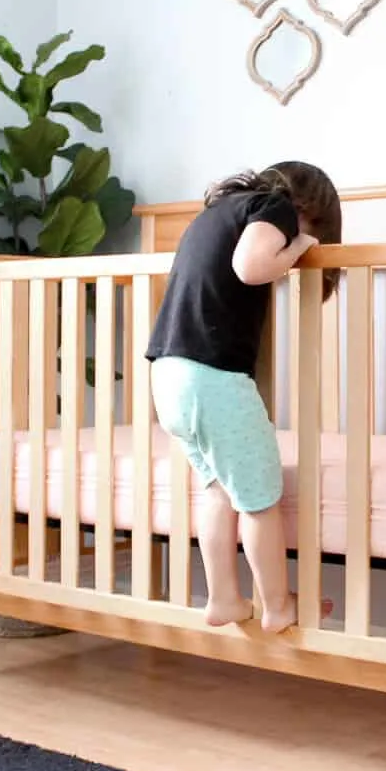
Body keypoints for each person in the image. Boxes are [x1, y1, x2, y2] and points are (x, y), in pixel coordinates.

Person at [146, 161, 342, 632]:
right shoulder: (275, 209)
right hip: (213, 380)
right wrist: (298, 246)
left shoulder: (217, 214)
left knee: (219, 492)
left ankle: (224, 599)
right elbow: (251, 267)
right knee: (258, 499)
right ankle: (278, 605)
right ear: (307, 209)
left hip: (169, 376)